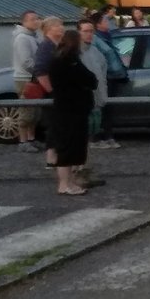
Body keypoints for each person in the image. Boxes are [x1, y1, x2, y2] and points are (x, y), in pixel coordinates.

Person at [48, 30, 98, 196]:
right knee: (68, 147)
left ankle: (68, 183)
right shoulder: (69, 61)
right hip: (71, 109)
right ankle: (64, 184)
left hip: (65, 107)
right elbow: (90, 79)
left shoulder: (57, 59)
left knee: (68, 146)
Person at [90, 10, 128, 148]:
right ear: (98, 24)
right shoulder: (96, 39)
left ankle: (108, 135)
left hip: (113, 76)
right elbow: (99, 59)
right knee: (101, 107)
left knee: (108, 108)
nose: (108, 23)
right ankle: (97, 137)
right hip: (106, 77)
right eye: (105, 21)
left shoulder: (107, 36)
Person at [33, 16, 65, 170]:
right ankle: (51, 157)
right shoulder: (46, 47)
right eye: (57, 25)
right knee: (53, 123)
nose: (61, 28)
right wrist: (51, 91)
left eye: (61, 25)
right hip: (52, 93)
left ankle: (58, 153)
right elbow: (40, 71)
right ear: (48, 29)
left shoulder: (58, 45)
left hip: (61, 90)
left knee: (60, 124)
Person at [11, 9, 43, 152]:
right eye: (32, 19)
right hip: (25, 78)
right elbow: (26, 61)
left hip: (34, 78)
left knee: (35, 111)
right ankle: (23, 141)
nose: (36, 21)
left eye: (37, 19)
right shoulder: (22, 38)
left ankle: (31, 138)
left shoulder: (33, 37)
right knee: (26, 110)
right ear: (24, 22)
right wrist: (38, 72)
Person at [79, 19, 110, 152]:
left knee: (95, 123)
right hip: (83, 98)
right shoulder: (75, 52)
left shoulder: (95, 51)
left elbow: (103, 71)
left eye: (91, 31)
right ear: (78, 32)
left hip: (97, 95)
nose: (89, 34)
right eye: (85, 31)